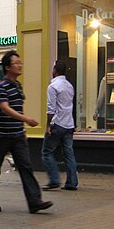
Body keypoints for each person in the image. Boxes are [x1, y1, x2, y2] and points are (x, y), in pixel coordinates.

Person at [0, 50, 53, 214]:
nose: (20, 66)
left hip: (17, 135)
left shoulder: (18, 86)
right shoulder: (1, 87)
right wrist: (25, 119)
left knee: (26, 166)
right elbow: (4, 108)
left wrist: (22, 126)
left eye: (20, 63)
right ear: (7, 67)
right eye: (16, 63)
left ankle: (34, 201)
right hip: (1, 135)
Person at [40, 60, 78, 191]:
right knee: (69, 153)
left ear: (55, 71)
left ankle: (54, 179)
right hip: (69, 124)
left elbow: (51, 109)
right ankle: (72, 182)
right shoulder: (69, 86)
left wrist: (48, 126)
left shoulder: (53, 86)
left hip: (57, 123)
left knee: (46, 152)